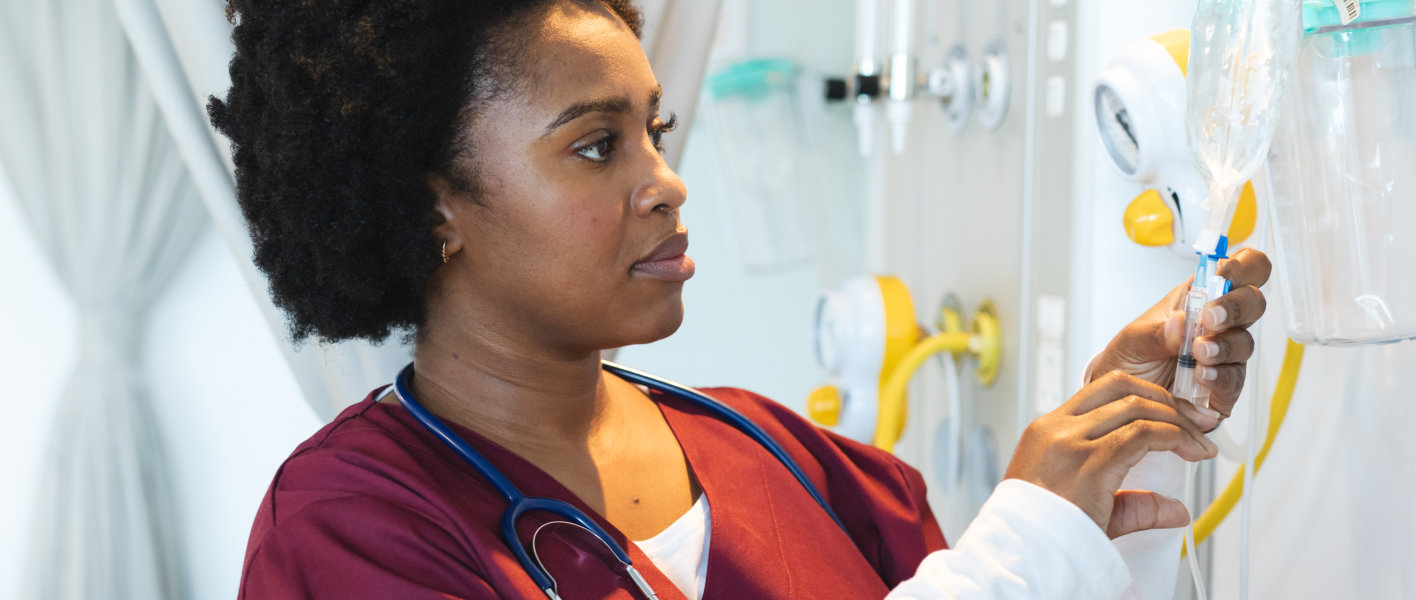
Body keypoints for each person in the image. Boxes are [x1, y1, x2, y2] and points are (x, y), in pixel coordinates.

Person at [210, 0, 1270, 597]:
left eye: (655, 134)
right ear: (435, 202)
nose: (665, 182)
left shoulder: (791, 463)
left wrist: (1103, 486)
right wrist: (1027, 541)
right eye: (595, 146)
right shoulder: (350, 529)